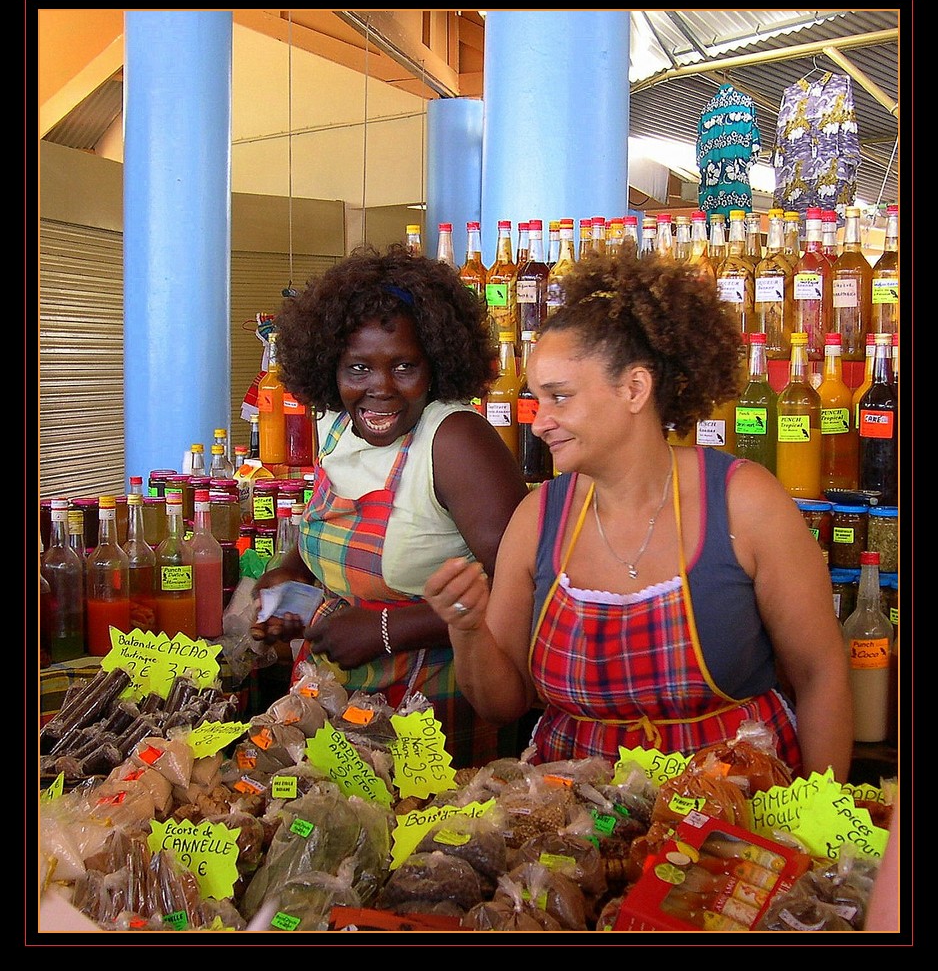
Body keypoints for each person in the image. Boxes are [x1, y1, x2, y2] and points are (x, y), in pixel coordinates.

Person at [424, 250, 854, 782]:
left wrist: (821, 828)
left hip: (735, 813)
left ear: (634, 389)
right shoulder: (538, 519)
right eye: (537, 400)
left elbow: (820, 674)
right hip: (576, 821)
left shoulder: (745, 502)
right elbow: (502, 704)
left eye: (560, 398)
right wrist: (466, 630)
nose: (540, 423)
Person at [250, 243, 530, 769]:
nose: (380, 389)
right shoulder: (335, 427)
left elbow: (523, 583)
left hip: (432, 714)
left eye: (404, 366)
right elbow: (325, 533)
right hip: (329, 709)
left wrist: (384, 630)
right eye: (358, 369)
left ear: (437, 364)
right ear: (329, 367)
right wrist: (287, 582)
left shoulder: (454, 440)